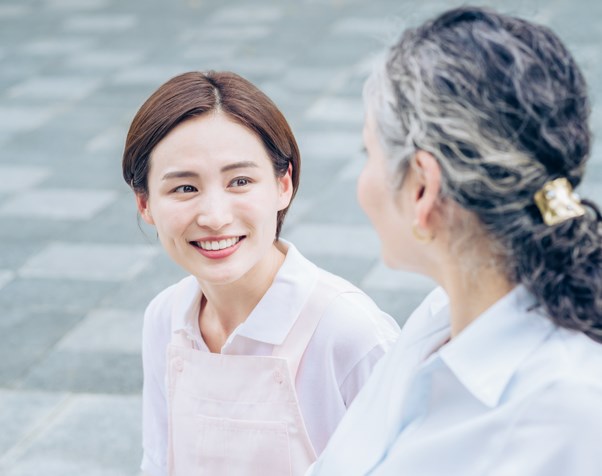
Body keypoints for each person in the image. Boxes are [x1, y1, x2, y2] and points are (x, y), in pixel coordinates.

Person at [308, 6, 602, 475]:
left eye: (371, 154)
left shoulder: (570, 415)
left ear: (422, 186)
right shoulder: (437, 318)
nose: (362, 180)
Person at [121, 71, 400, 476]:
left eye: (240, 181)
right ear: (145, 204)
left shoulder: (351, 332)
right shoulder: (165, 318)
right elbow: (158, 464)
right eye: (184, 188)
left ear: (283, 185)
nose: (215, 217)